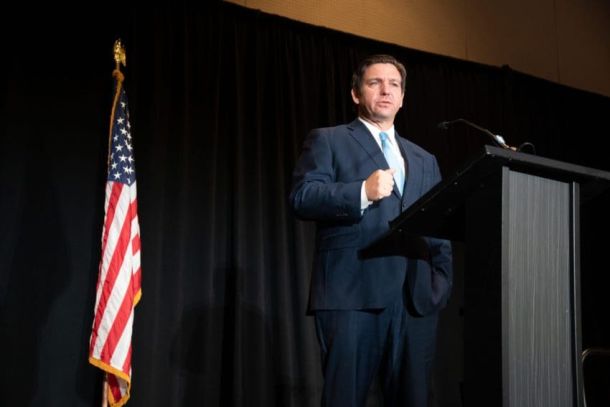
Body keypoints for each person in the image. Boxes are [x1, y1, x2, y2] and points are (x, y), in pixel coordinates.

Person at [289, 54, 453, 406]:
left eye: (394, 85)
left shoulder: (425, 159)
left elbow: (439, 227)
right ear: (356, 93)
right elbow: (302, 197)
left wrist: (439, 281)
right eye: (375, 83)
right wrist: (361, 192)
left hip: (415, 301)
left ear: (403, 98)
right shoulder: (329, 140)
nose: (385, 90)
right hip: (352, 294)